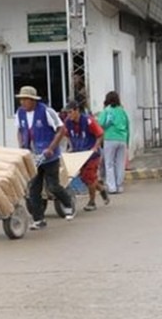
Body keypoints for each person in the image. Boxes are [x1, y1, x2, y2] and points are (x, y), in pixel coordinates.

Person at [15, 86, 74, 230]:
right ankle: (38, 219)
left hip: (49, 156)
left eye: (25, 99)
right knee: (33, 188)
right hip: (33, 156)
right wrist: (22, 146)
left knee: (53, 186)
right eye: (21, 99)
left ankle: (67, 203)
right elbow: (20, 131)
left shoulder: (46, 111)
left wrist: (51, 148)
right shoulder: (20, 113)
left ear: (33, 100)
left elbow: (61, 130)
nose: (22, 102)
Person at [63, 100, 109, 211]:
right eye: (67, 113)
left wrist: (95, 147)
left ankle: (92, 202)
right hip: (78, 154)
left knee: (89, 177)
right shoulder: (68, 122)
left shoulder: (88, 121)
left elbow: (100, 134)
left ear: (77, 110)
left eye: (70, 112)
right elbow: (66, 134)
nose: (69, 115)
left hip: (91, 154)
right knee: (84, 178)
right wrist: (70, 147)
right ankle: (101, 189)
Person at [98, 91, 130, 194]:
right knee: (120, 163)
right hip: (122, 139)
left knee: (109, 163)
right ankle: (119, 186)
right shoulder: (122, 111)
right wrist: (127, 141)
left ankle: (112, 187)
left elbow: (100, 124)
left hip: (110, 139)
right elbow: (128, 126)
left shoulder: (106, 111)